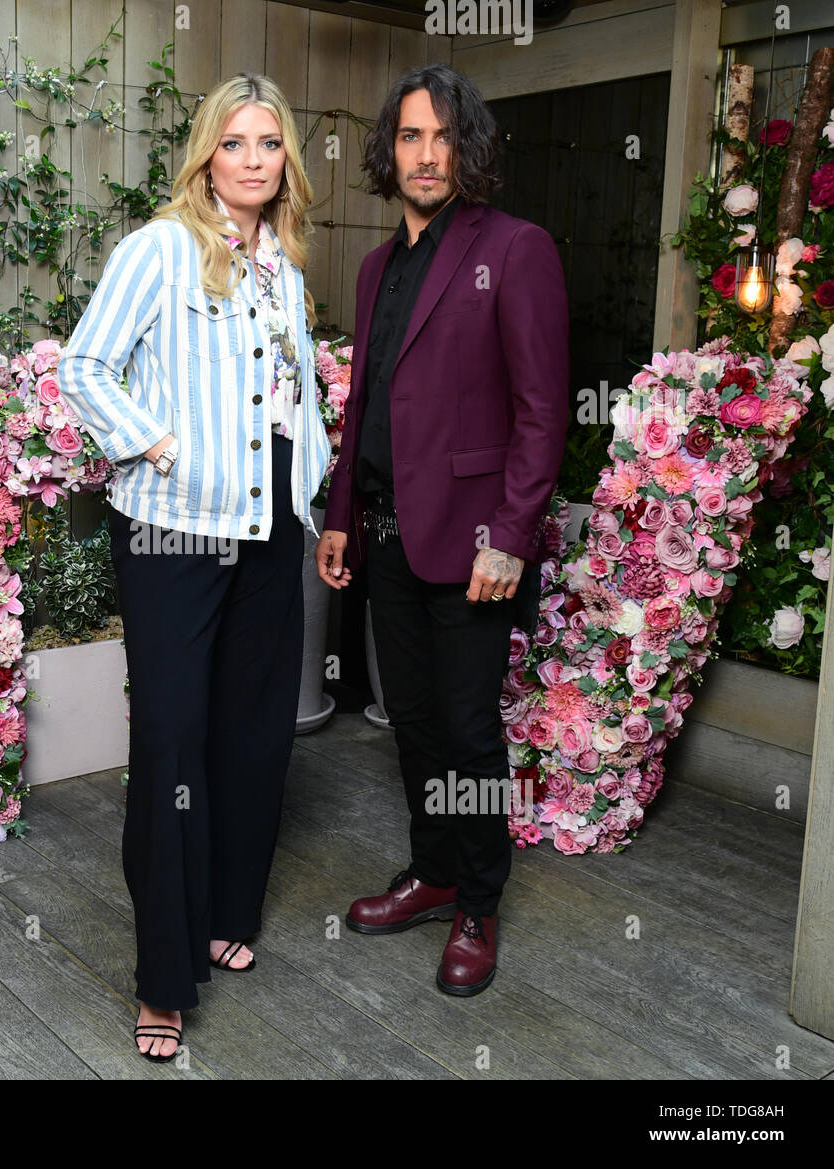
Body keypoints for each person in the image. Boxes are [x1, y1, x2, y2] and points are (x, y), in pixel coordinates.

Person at [58, 73, 330, 1058]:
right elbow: (82, 366)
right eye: (234, 143)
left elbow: (296, 399)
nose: (252, 160)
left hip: (267, 526)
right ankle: (163, 977)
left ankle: (228, 910)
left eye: (268, 144)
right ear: (205, 155)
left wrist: (318, 496)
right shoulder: (159, 249)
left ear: (283, 161)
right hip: (173, 526)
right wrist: (160, 444)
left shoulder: (284, 270)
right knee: (171, 740)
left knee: (253, 728)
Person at [315, 64, 569, 996]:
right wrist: (342, 517)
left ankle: (479, 903)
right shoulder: (378, 265)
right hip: (387, 536)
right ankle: (433, 870)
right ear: (392, 150)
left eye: (444, 137)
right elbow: (365, 406)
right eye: (411, 137)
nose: (427, 155)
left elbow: (544, 412)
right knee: (412, 723)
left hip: (475, 550)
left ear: (471, 148)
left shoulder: (518, 246)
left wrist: (510, 533)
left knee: (469, 730)